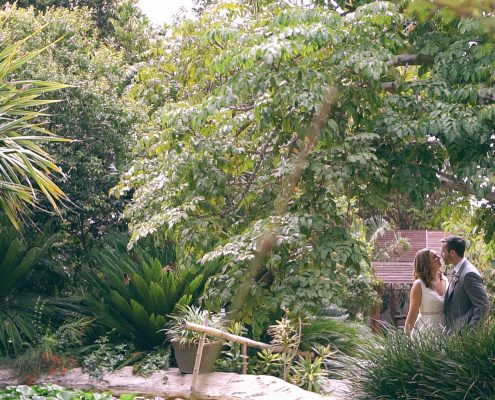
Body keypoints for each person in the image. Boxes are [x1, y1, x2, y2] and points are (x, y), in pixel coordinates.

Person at [441, 235, 489, 332]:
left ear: (452, 253)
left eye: (443, 251)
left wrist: (469, 333)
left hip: (463, 337)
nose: (441, 254)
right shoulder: (458, 270)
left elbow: (482, 306)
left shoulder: (468, 274)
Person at [404, 248, 448, 336]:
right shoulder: (419, 285)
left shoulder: (445, 280)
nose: (439, 257)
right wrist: (406, 337)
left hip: (445, 328)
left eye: (437, 255)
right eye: (434, 257)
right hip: (426, 331)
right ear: (426, 263)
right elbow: (412, 314)